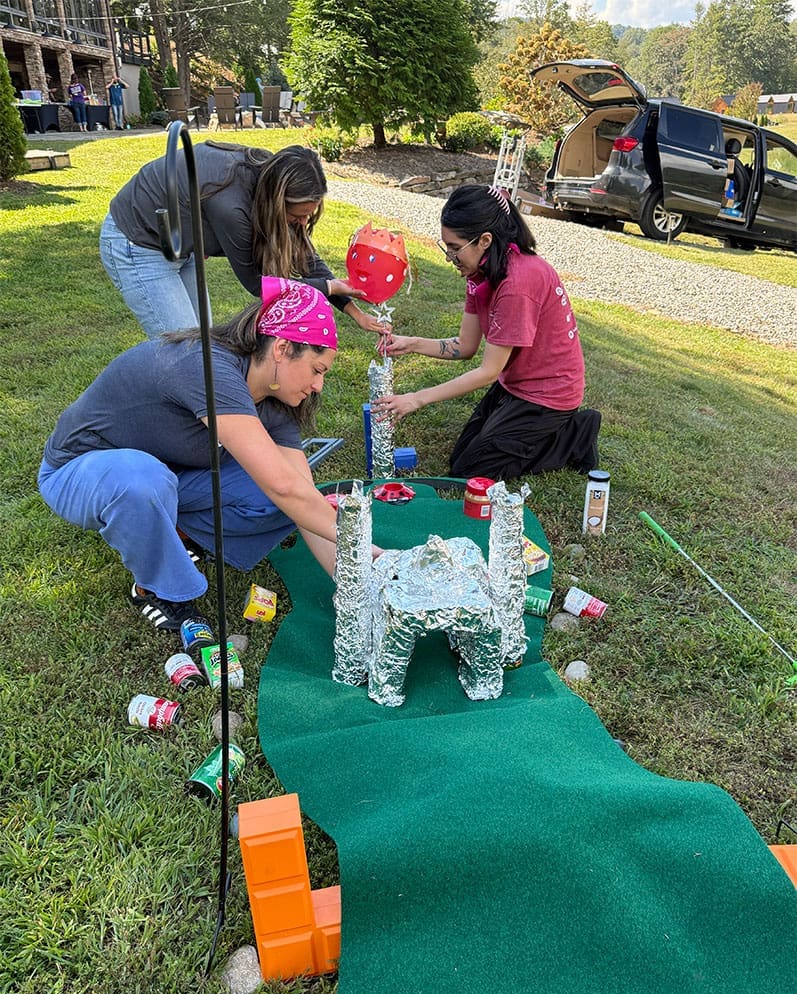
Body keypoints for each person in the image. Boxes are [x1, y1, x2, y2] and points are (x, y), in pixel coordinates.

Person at [39, 276, 381, 635]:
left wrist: (359, 583)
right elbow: (283, 486)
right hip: (77, 472)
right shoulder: (208, 368)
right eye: (316, 370)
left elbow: (300, 492)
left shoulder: (275, 400)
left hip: (170, 475)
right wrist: (369, 549)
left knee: (288, 497)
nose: (317, 386)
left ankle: (176, 534)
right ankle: (155, 588)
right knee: (142, 481)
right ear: (281, 349)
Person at [372, 184, 601, 481]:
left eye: (455, 248)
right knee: (463, 457)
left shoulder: (518, 283)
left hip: (548, 396)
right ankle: (543, 433)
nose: (449, 258)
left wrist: (416, 398)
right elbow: (465, 346)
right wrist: (411, 343)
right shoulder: (479, 273)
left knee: (472, 471)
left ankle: (575, 435)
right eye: (447, 247)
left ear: (484, 240)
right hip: (516, 386)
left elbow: (488, 371)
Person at [99, 142, 387, 340]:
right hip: (138, 240)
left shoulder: (269, 176)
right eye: (297, 216)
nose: (301, 224)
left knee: (203, 345)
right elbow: (258, 284)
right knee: (184, 351)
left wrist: (355, 313)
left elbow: (306, 259)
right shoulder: (232, 206)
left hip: (180, 245)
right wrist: (328, 287)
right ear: (278, 202)